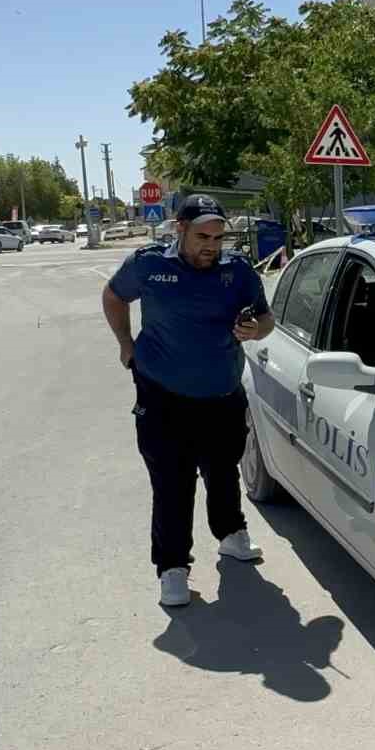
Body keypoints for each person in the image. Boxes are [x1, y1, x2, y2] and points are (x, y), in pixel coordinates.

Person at [101, 194, 276, 607]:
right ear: (179, 229)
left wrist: (258, 330)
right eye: (202, 236)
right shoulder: (149, 265)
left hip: (221, 395)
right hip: (163, 397)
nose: (211, 246)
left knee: (222, 470)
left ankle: (231, 535)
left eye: (218, 237)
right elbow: (113, 295)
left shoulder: (238, 272)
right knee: (172, 482)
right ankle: (173, 568)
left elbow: (265, 317)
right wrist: (125, 343)